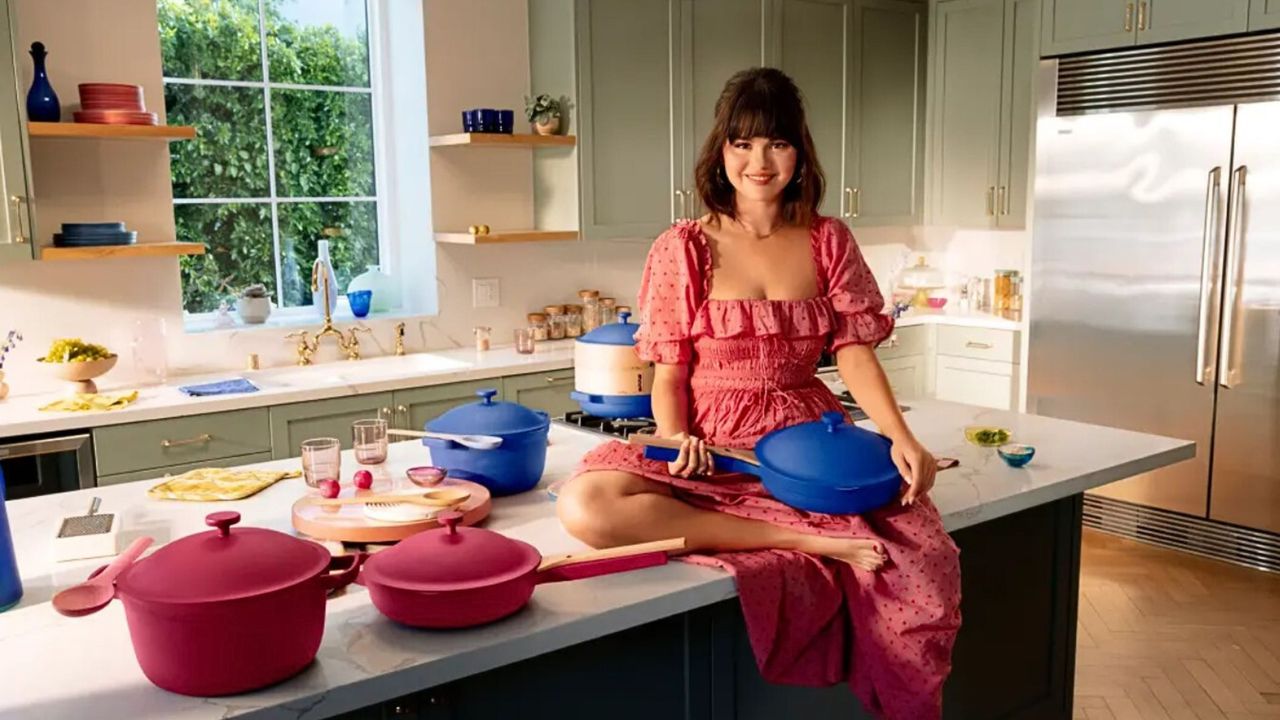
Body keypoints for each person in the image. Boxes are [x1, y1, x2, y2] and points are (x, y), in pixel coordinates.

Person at [555, 67, 961, 719]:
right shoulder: (683, 246)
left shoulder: (830, 240)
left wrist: (900, 437)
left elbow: (853, 352)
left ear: (799, 152)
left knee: (921, 554)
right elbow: (670, 369)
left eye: (775, 143)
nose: (758, 161)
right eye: (742, 144)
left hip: (805, 434)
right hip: (712, 435)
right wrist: (675, 435)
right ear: (721, 153)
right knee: (587, 505)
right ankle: (809, 542)